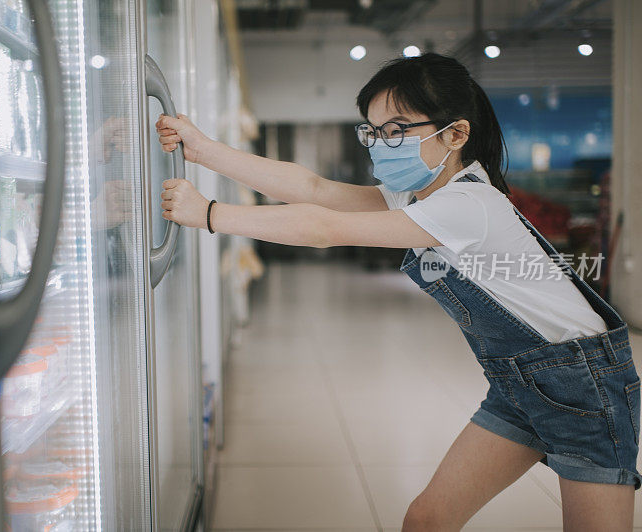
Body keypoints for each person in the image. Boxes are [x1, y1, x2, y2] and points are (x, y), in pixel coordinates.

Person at [154, 52, 641, 529]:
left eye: (397, 129)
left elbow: (323, 227)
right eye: (373, 130)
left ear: (454, 133)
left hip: (582, 383)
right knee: (426, 519)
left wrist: (211, 214)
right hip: (524, 383)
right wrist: (205, 151)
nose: (380, 143)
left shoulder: (468, 203)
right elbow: (315, 189)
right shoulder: (422, 193)